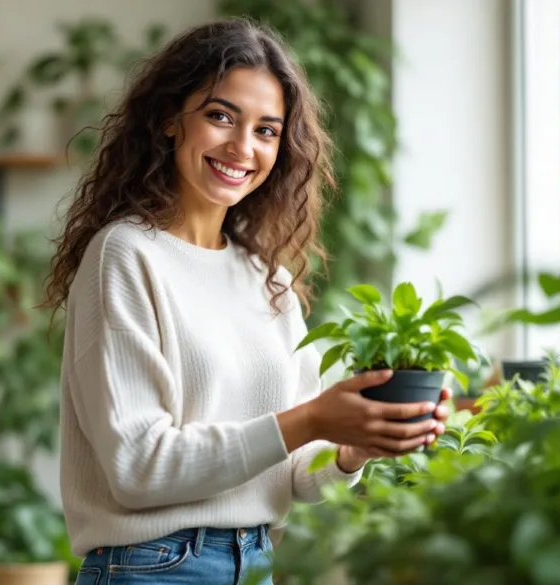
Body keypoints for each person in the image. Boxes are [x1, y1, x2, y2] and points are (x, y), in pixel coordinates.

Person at [41, 18, 452, 585]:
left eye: (266, 130)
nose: (242, 147)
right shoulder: (126, 255)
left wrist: (353, 448)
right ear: (170, 119)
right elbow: (137, 467)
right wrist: (310, 418)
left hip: (254, 562)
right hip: (152, 569)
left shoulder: (267, 277)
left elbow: (295, 473)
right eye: (220, 116)